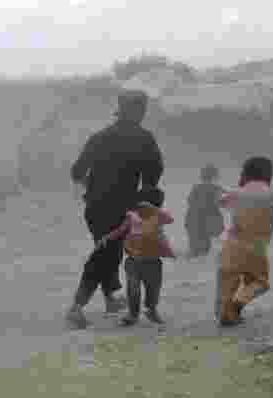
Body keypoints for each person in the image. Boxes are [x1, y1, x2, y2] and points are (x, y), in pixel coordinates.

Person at [66, 90, 164, 329]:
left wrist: (92, 185)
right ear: (139, 111)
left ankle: (111, 298)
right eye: (142, 110)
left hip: (94, 207)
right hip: (122, 207)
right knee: (106, 254)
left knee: (107, 249)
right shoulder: (144, 138)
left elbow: (76, 172)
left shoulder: (99, 137)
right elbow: (153, 176)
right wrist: (147, 199)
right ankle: (76, 306)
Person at [216, 156, 273, 326]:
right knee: (260, 282)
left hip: (233, 245)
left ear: (244, 174)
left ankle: (225, 312)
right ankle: (237, 304)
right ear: (269, 176)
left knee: (229, 280)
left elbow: (220, 200)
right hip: (257, 247)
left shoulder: (235, 195)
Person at [96, 186, 176, 326]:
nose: (144, 209)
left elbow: (170, 219)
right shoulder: (132, 217)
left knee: (153, 289)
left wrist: (154, 209)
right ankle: (133, 314)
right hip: (133, 261)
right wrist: (107, 237)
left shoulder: (158, 216)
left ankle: (151, 309)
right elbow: (121, 230)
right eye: (141, 205)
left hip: (153, 262)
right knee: (133, 288)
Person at [185, 164, 226, 258]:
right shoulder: (216, 189)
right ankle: (196, 254)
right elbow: (221, 203)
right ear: (214, 177)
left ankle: (193, 253)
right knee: (203, 249)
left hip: (193, 221)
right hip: (206, 223)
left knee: (196, 247)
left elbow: (190, 200)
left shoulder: (196, 188)